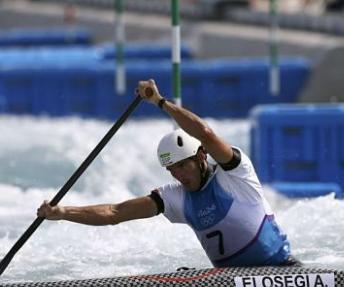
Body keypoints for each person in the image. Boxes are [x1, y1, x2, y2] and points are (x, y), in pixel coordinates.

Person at [37, 79, 300, 268]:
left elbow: (205, 134)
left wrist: (159, 102)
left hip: (281, 271)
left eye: (183, 165)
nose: (178, 175)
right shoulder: (175, 197)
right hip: (228, 281)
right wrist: (62, 213)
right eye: (171, 170)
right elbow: (115, 213)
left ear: (201, 157)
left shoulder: (235, 174)